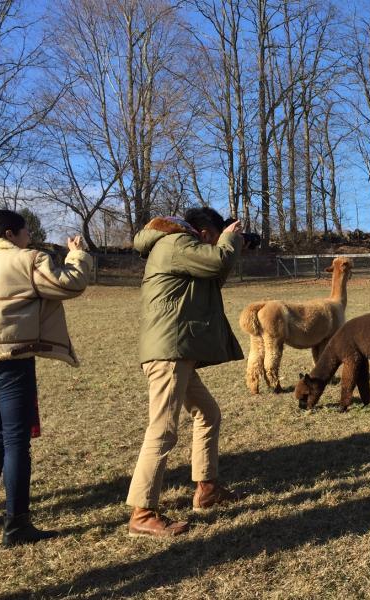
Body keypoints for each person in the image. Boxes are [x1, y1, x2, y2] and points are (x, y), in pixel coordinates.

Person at [125, 208, 244, 538]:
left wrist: (230, 242)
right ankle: (142, 513)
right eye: (215, 235)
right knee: (163, 429)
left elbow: (213, 274)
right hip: (168, 352)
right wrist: (230, 239)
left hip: (177, 351)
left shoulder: (178, 246)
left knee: (208, 413)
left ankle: (206, 489)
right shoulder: (175, 242)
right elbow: (218, 261)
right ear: (205, 232)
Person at [0, 209, 91, 546]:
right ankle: (17, 524)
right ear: (12, 234)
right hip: (12, 361)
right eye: (26, 231)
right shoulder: (28, 259)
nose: (30, 236)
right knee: (16, 442)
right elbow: (69, 284)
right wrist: (77, 254)